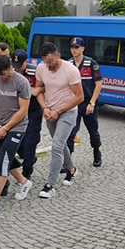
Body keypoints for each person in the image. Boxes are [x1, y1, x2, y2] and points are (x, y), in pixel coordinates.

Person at [0, 55, 33, 213]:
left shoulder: (22, 82)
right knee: (5, 158)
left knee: (3, 159)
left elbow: (23, 110)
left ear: (10, 67)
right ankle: (24, 182)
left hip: (17, 126)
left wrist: (6, 128)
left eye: (4, 74)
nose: (2, 78)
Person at [34, 42, 84, 199]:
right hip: (50, 112)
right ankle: (72, 170)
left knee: (56, 146)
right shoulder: (41, 68)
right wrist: (45, 108)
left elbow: (79, 97)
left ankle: (50, 185)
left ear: (58, 56)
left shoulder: (71, 70)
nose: (49, 66)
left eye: (51, 62)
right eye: (46, 62)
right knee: (60, 144)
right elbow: (39, 89)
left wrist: (58, 111)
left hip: (67, 112)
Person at [66, 37, 103, 167]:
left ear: (83, 48)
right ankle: (68, 162)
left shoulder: (91, 63)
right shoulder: (68, 64)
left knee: (93, 130)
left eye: (76, 47)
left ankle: (96, 152)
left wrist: (92, 103)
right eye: (72, 47)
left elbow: (98, 84)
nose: (73, 50)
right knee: (71, 132)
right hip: (74, 103)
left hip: (88, 102)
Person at [11, 49, 43, 179]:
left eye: (20, 66)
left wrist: (35, 90)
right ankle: (29, 157)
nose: (17, 69)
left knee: (31, 140)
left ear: (26, 62)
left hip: (33, 110)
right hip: (17, 111)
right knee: (18, 141)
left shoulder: (35, 71)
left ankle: (27, 170)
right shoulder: (11, 72)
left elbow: (44, 86)